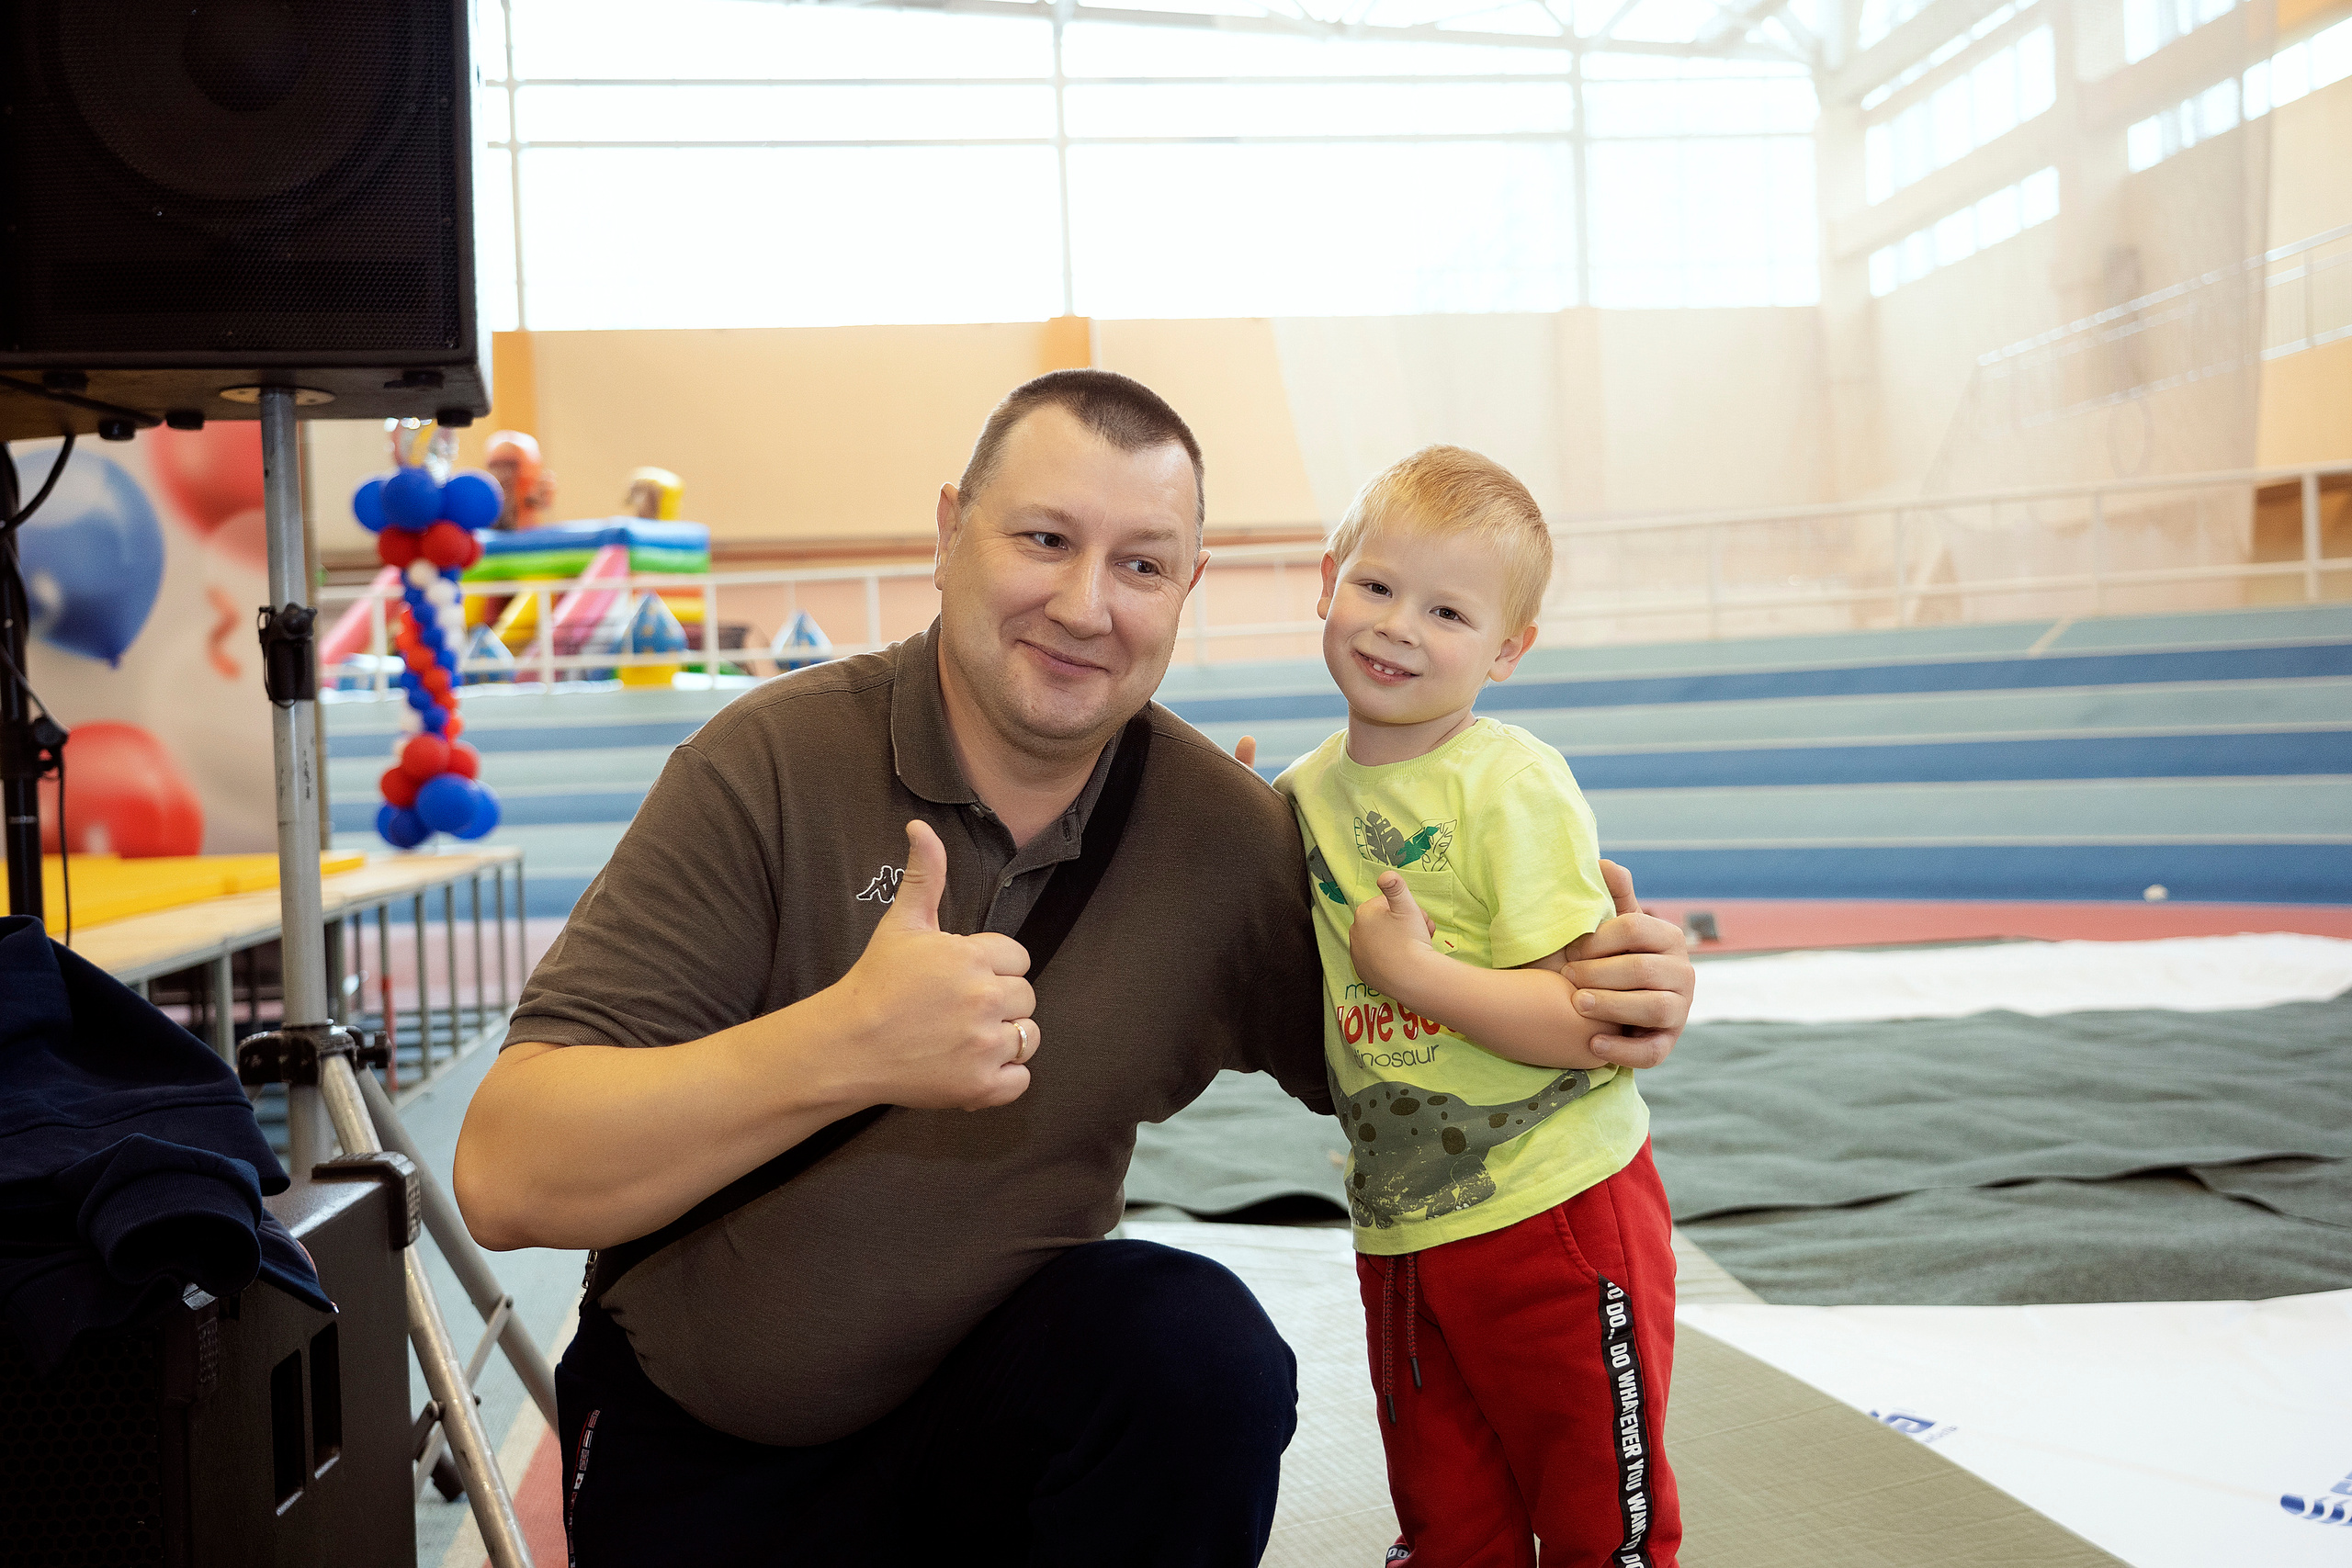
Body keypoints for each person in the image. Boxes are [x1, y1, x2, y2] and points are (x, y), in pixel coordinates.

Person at [451, 373, 1697, 1566]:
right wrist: (845, 1044)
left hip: (1002, 1441)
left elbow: (1395, 1037)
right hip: (713, 1445)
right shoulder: (765, 765)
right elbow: (506, 1173)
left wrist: (1599, 985)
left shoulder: (1226, 836)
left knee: (1197, 1351)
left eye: (1141, 563)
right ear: (950, 531)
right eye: (1044, 538)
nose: (1088, 603)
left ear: (1187, 586)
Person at [1274, 446, 1681, 1568]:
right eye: (1376, 587)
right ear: (1326, 580)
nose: (1398, 626)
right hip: (1402, 1222)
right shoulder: (1304, 796)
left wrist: (1419, 978)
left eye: (1447, 610)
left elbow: (1589, 1025)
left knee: (1603, 1518)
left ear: (1507, 651)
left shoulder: (1508, 782)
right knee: (1450, 1523)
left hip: (1553, 1208)